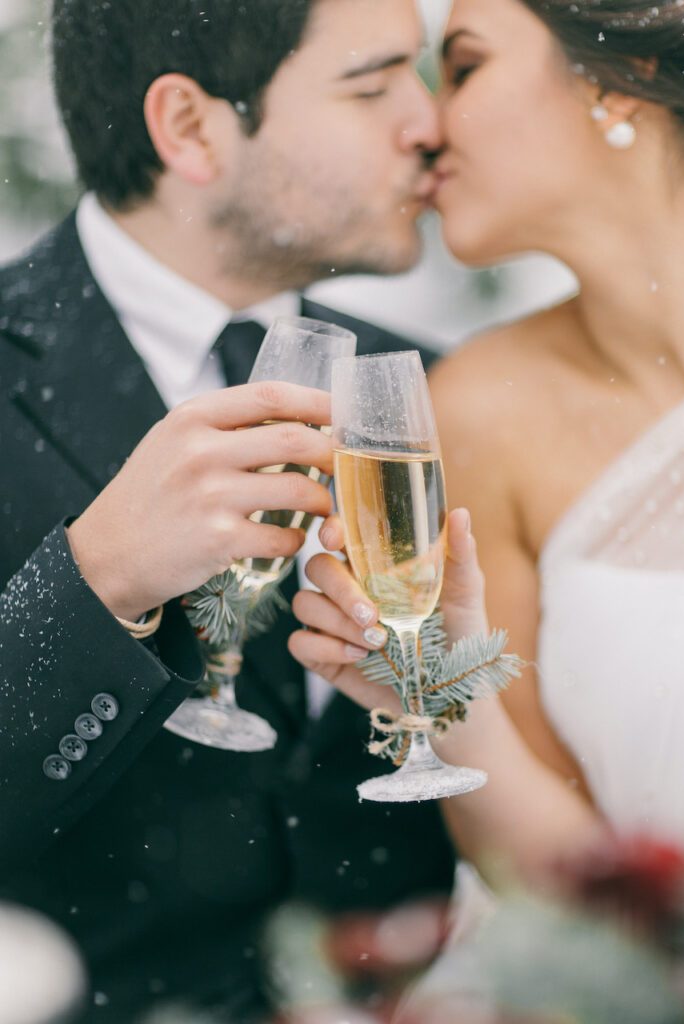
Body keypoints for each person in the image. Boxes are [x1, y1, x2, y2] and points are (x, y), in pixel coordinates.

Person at [0, 1, 457, 1020]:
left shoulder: (427, 390)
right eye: (372, 85)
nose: (428, 122)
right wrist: (95, 580)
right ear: (193, 128)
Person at [290, 0, 684, 887]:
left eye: (464, 68)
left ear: (624, 83)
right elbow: (559, 881)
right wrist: (436, 699)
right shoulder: (472, 413)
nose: (425, 127)